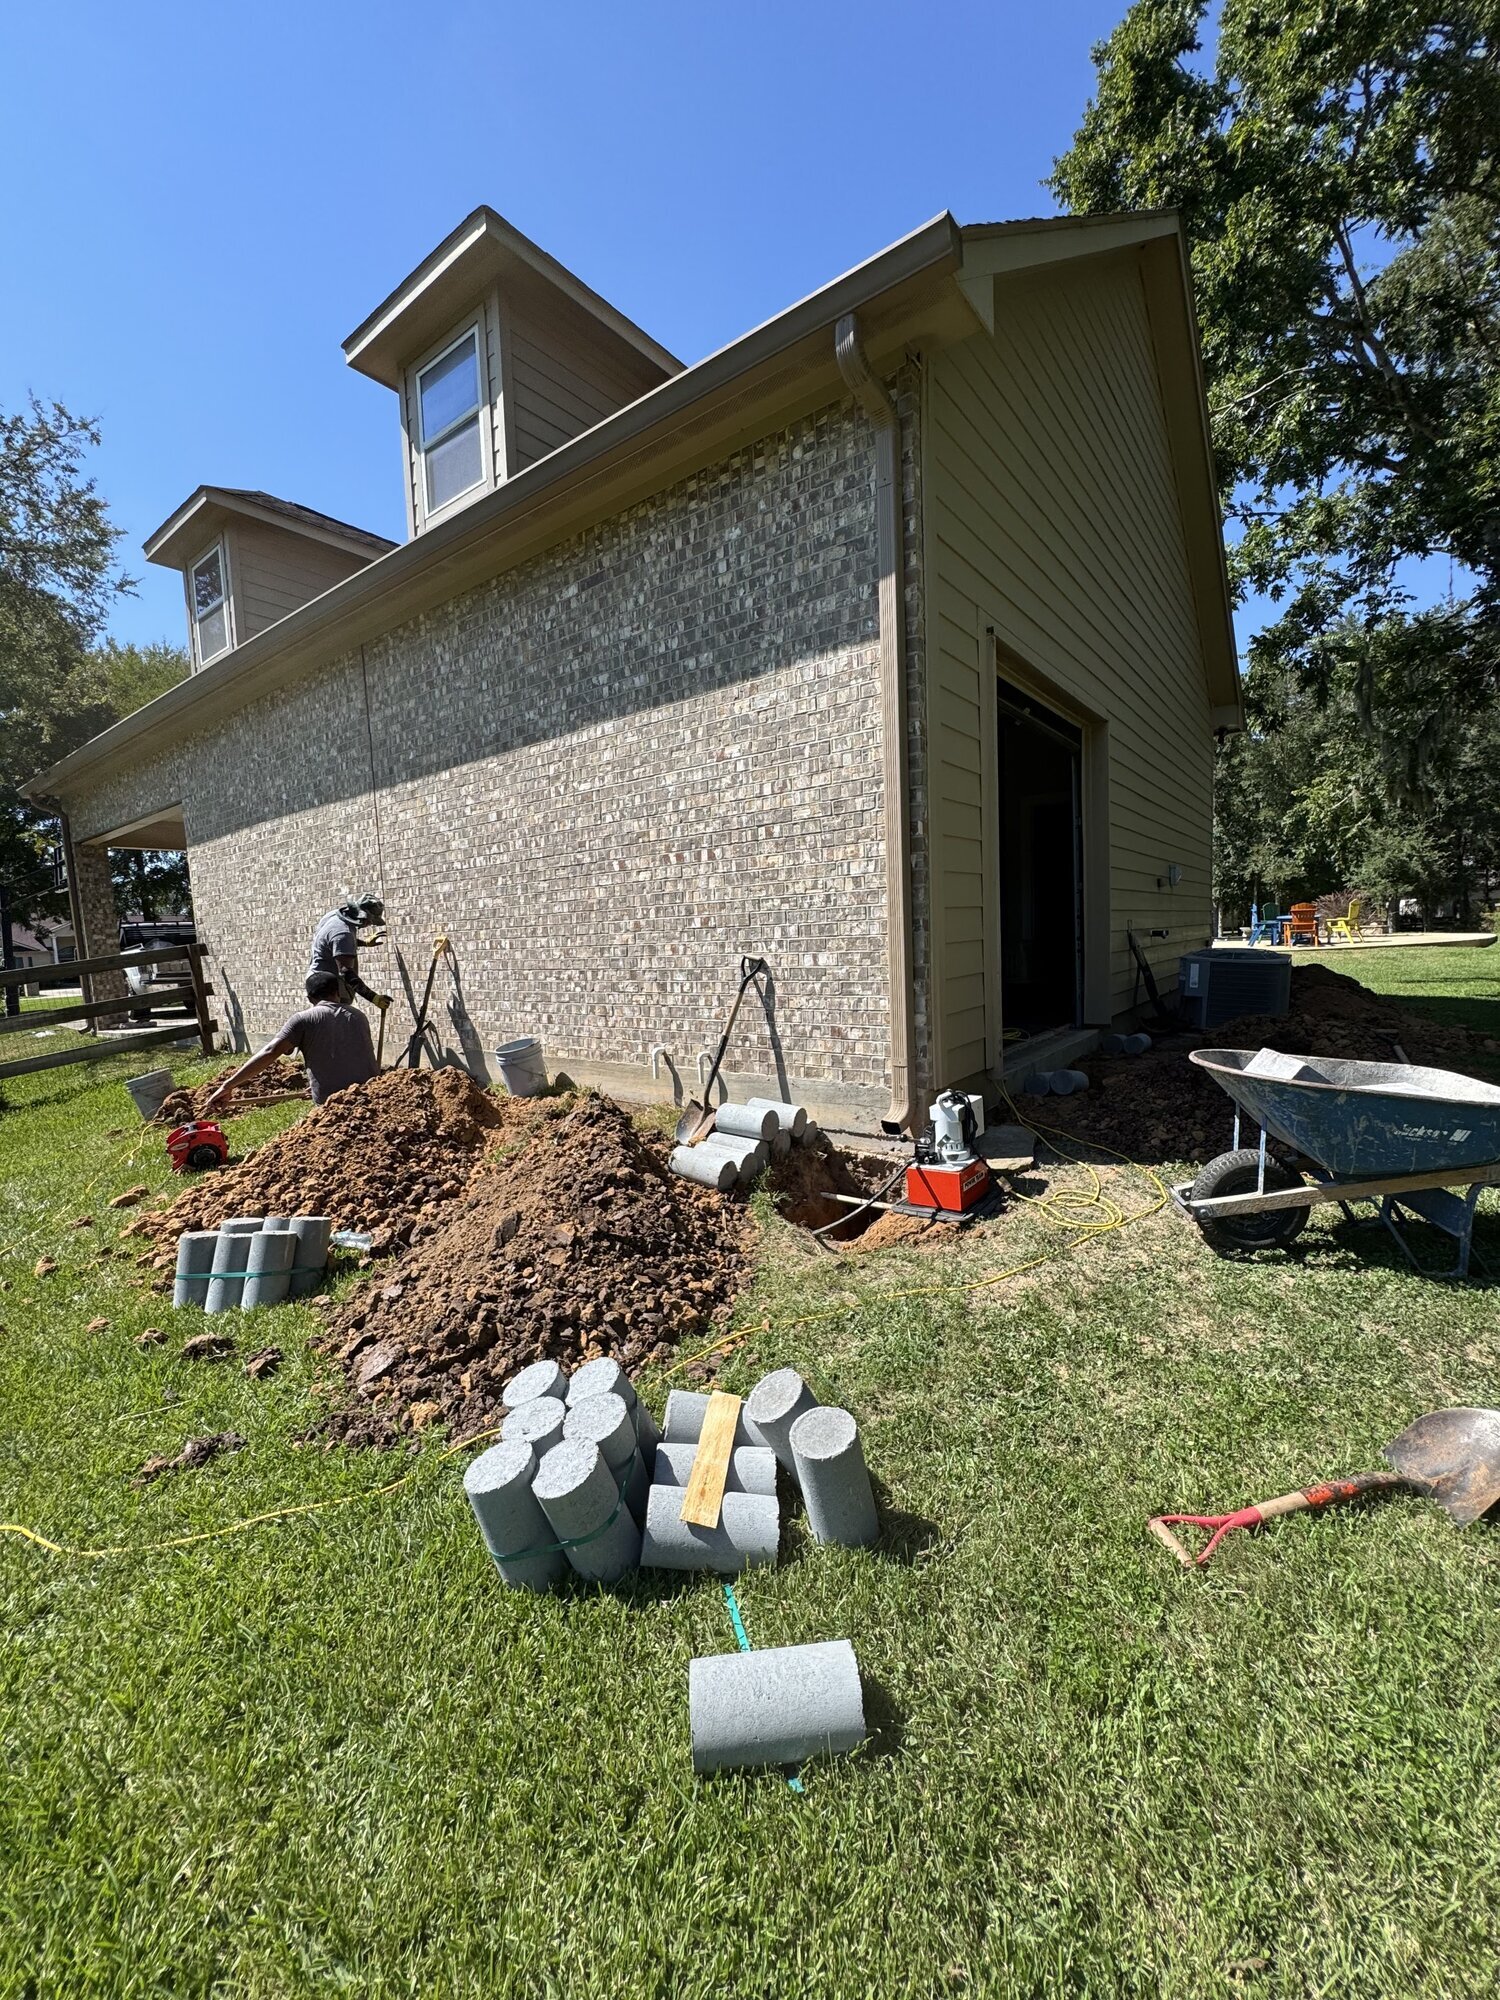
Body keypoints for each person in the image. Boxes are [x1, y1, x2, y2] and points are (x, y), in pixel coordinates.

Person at [204, 971, 378, 1112]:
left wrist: (228, 1086)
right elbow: (348, 1055)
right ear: (338, 993)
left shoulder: (304, 1019)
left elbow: (271, 1052)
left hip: (332, 1106)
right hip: (371, 1096)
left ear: (310, 998)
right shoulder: (358, 1016)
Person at [307, 896, 391, 1014]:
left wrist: (364, 943)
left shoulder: (334, 916)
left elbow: (333, 942)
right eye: (370, 922)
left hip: (316, 979)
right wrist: (373, 997)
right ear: (363, 917)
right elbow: (346, 972)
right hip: (328, 987)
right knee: (336, 1024)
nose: (369, 924)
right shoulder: (343, 933)